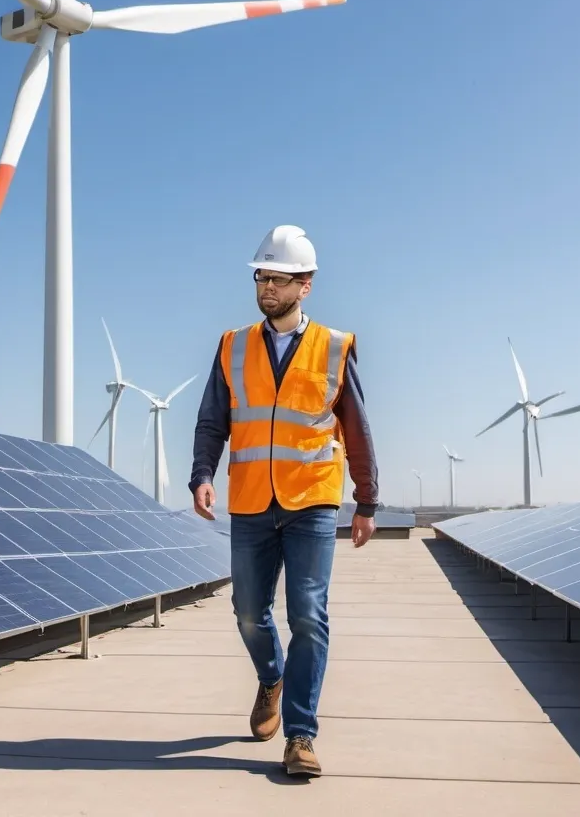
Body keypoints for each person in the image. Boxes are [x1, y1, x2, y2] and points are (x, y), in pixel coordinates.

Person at [188, 224, 379, 777]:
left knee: (309, 616)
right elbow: (212, 420)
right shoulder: (232, 345)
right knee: (249, 613)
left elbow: (357, 428)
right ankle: (270, 678)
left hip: (313, 501)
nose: (267, 286)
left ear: (306, 285)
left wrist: (366, 500)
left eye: (278, 278)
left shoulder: (335, 347)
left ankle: (300, 735)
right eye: (261, 276)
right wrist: (202, 472)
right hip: (250, 500)